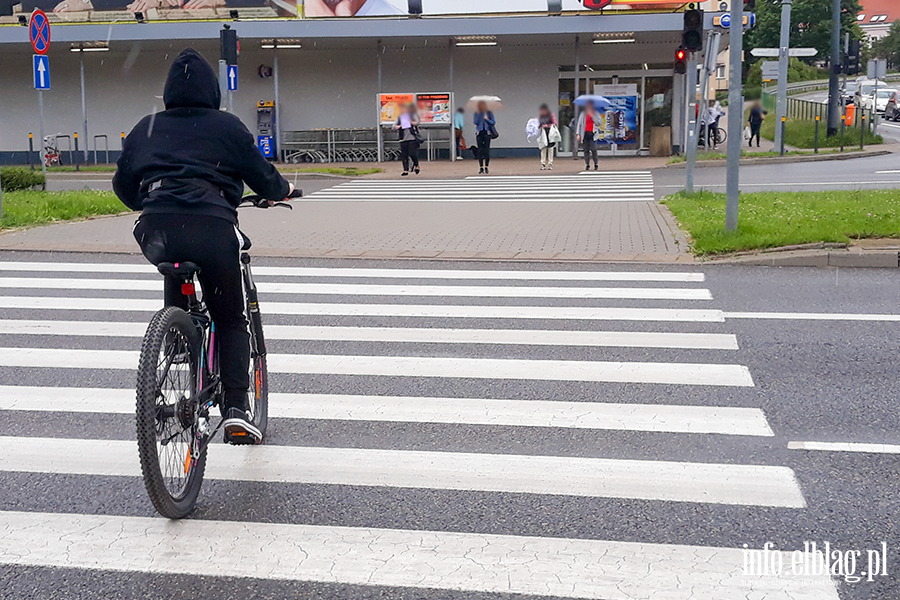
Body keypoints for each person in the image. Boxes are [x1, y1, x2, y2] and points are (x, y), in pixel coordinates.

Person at [113, 49, 293, 445]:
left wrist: (151, 203)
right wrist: (282, 191)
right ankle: (235, 410)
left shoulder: (147, 126)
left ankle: (176, 330)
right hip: (212, 226)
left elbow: (122, 186)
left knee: (175, 262)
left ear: (168, 92)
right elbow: (263, 177)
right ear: (213, 92)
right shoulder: (226, 127)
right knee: (229, 317)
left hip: (156, 230)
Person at [394, 102, 421, 176]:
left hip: (412, 138)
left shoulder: (412, 115)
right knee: (404, 155)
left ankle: (416, 165)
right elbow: (394, 126)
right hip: (403, 138)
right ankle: (405, 170)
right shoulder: (399, 117)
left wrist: (410, 121)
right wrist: (400, 125)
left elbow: (417, 123)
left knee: (412, 153)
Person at [575, 100, 600, 171]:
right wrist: (578, 134)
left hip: (592, 134)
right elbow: (579, 124)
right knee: (586, 150)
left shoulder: (595, 113)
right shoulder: (583, 114)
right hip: (585, 134)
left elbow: (599, 122)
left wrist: (593, 117)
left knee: (593, 149)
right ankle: (587, 164)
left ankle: (596, 163)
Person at [473, 101, 496, 175]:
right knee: (480, 150)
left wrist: (486, 119)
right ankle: (481, 167)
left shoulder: (489, 113)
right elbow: (475, 122)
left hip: (487, 132)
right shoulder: (477, 113)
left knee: (486, 150)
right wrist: (480, 116)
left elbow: (493, 122)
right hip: (479, 132)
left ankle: (486, 166)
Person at [537, 104, 560, 170]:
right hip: (544, 134)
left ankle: (550, 164)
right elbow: (538, 124)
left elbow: (554, 123)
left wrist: (546, 126)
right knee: (543, 148)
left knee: (550, 149)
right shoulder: (541, 116)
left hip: (550, 133)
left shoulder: (551, 115)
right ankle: (543, 164)